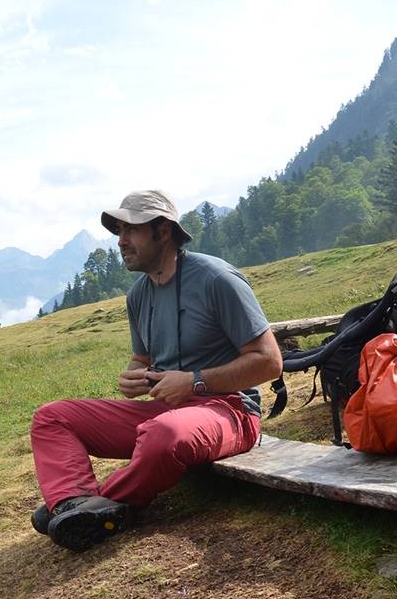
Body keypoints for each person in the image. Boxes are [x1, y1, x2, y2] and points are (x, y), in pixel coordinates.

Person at [29, 189, 283, 551]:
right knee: (52, 417)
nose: (121, 241)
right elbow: (143, 359)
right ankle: (71, 502)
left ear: (163, 231)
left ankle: (98, 505)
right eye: (119, 231)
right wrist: (132, 375)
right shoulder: (138, 295)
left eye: (131, 230)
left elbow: (270, 361)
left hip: (229, 410)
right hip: (166, 410)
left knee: (164, 434)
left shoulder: (216, 279)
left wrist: (195, 382)